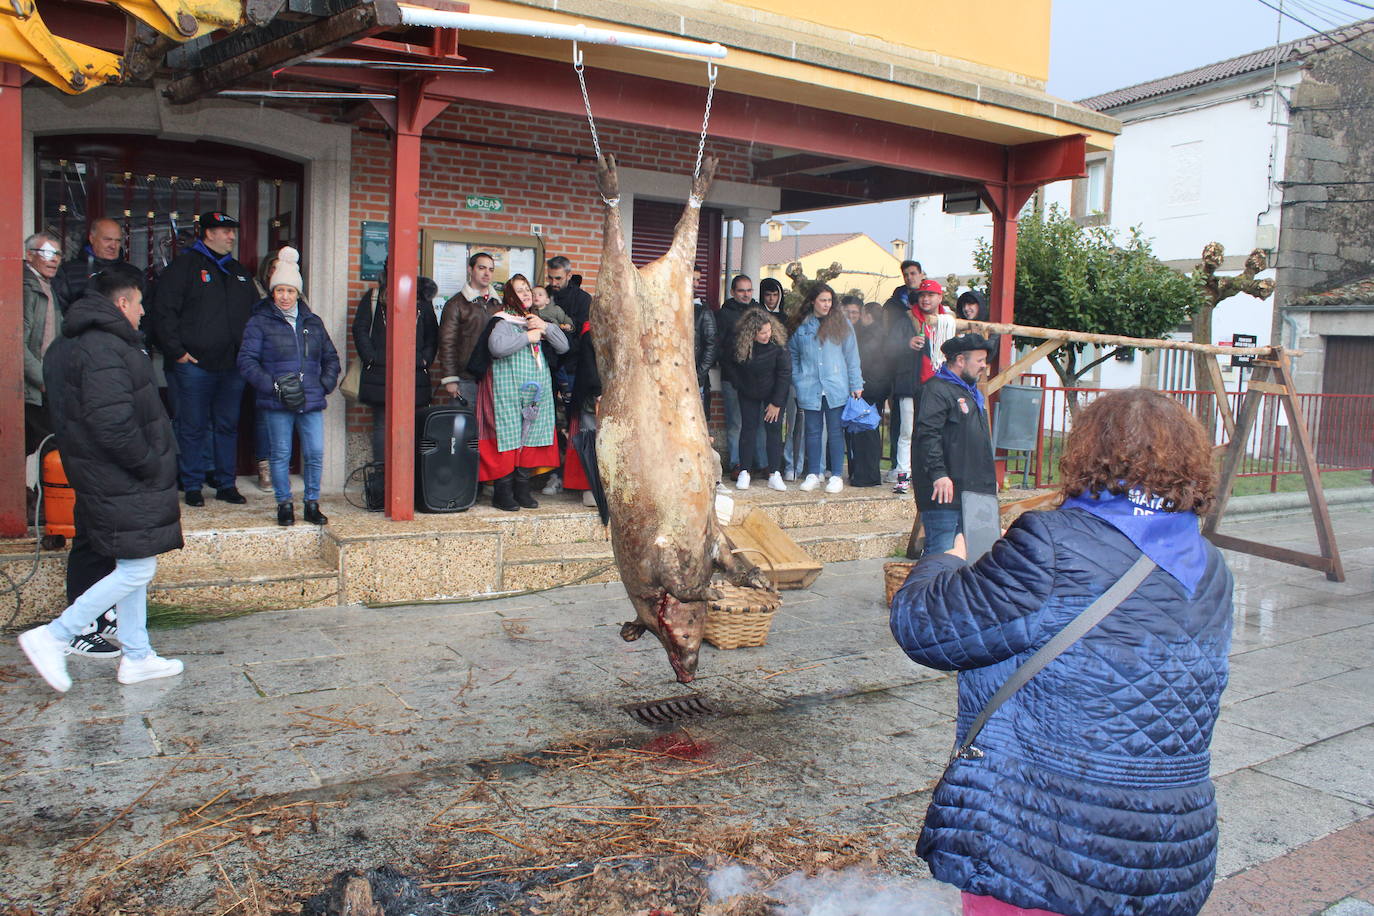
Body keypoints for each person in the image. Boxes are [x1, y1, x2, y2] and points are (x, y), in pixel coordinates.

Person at [890, 388, 1234, 916]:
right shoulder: (1212, 567)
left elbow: (925, 627)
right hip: (1166, 851)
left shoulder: (1050, 543)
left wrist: (946, 560)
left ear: (1088, 454)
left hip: (1045, 842)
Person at [19, 272, 185, 693]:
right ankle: (55, 636)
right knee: (138, 567)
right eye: (140, 302)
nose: (144, 311)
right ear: (123, 304)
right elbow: (112, 424)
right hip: (119, 473)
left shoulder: (69, 345)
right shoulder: (104, 348)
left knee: (130, 561)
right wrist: (151, 463)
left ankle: (137, 655)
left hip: (95, 470)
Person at [149, 211, 256, 508]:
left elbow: (254, 315)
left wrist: (248, 354)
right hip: (193, 366)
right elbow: (163, 313)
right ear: (208, 233)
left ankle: (225, 484)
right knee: (192, 427)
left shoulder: (239, 271)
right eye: (225, 231)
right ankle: (193, 485)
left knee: (226, 426)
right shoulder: (183, 266)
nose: (232, 236)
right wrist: (177, 352)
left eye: (232, 231)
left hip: (232, 367)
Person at [237, 247, 340, 527]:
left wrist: (324, 384)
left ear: (298, 293)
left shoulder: (313, 322)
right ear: (273, 291)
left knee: (315, 452)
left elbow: (331, 358)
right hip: (277, 401)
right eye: (280, 290)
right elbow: (246, 361)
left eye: (290, 291)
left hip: (311, 401)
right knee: (280, 454)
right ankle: (284, 504)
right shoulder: (260, 321)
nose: (284, 296)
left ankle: (311, 503)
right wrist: (272, 386)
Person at [471, 274, 568, 511]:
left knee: (531, 438)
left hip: (536, 392)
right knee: (508, 438)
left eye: (527, 290)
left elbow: (564, 346)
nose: (526, 294)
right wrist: (527, 337)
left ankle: (522, 489)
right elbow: (496, 347)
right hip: (506, 391)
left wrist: (544, 327)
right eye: (520, 290)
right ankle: (503, 492)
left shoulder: (537, 319)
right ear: (510, 295)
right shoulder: (502, 320)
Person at [911, 334, 996, 554]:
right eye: (979, 360)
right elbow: (927, 435)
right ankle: (928, 589)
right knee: (942, 555)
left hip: (973, 490)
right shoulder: (936, 390)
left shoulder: (970, 392)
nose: (983, 366)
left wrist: (987, 482)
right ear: (960, 360)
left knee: (973, 555)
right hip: (945, 492)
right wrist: (939, 474)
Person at [353, 262, 440, 464]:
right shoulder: (374, 298)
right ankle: (381, 477)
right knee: (382, 425)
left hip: (415, 372)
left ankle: (413, 478)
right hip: (380, 373)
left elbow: (432, 335)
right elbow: (360, 329)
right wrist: (372, 357)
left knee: (415, 425)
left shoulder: (422, 301)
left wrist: (424, 359)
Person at [789, 283, 862, 495]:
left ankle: (837, 475)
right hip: (809, 386)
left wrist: (856, 384)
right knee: (812, 432)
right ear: (812, 301)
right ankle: (813, 474)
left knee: (835, 432)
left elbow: (852, 356)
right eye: (822, 300)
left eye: (829, 300)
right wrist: (797, 378)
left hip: (835, 386)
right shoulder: (801, 326)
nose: (826, 304)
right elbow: (792, 355)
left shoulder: (842, 324)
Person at [891, 278, 957, 495]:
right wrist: (906, 344)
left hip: (938, 387)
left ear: (939, 298)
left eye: (930, 295)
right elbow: (889, 345)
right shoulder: (906, 319)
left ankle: (936, 475)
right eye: (922, 295)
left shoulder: (949, 321)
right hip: (910, 383)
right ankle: (903, 476)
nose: (926, 299)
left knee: (937, 431)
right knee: (907, 431)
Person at [729, 308, 790, 492]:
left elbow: (784, 373)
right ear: (752, 333)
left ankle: (774, 473)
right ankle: (744, 472)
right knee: (748, 430)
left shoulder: (778, 345)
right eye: (762, 332)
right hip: (748, 392)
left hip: (773, 393)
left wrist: (777, 402)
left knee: (773, 430)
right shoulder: (741, 345)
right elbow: (732, 366)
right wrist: (740, 385)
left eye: (769, 331)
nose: (766, 335)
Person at [437, 252, 501, 407]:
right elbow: (447, 343)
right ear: (470, 269)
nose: (487, 273)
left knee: (489, 430)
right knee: (464, 428)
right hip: (466, 378)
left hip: (496, 377)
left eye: (491, 269)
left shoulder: (499, 304)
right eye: (481, 268)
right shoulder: (456, 304)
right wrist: (450, 378)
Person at [881, 259, 925, 478]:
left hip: (926, 374)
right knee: (900, 422)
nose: (910, 277)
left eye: (913, 273)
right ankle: (898, 468)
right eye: (906, 274)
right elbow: (888, 339)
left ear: (921, 274)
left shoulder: (936, 309)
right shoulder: (894, 306)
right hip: (901, 371)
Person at [52, 217, 144, 313]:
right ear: (92, 239)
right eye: (107, 239)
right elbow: (58, 313)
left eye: (117, 241)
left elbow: (145, 314)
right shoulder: (68, 272)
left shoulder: (134, 274)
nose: (113, 246)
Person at [22, 233, 61, 455]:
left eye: (57, 253)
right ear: (29, 256)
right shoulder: (27, 287)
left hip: (47, 379)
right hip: (32, 385)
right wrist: (42, 379)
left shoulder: (46, 285)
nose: (54, 259)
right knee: (44, 444)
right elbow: (17, 344)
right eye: (47, 253)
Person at [716, 274, 756, 473]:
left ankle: (754, 463)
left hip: (755, 379)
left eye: (749, 290)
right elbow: (720, 348)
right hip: (732, 378)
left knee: (753, 423)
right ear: (732, 292)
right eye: (741, 290)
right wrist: (733, 373)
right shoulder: (724, 315)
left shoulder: (758, 313)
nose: (746, 294)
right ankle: (735, 463)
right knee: (735, 424)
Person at [693, 274, 718, 417]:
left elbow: (711, 345)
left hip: (696, 377)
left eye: (698, 280)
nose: (695, 284)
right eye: (692, 279)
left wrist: (699, 374)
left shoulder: (703, 311)